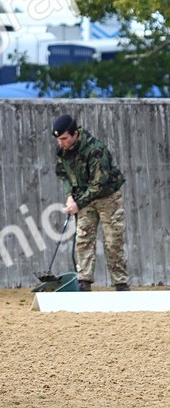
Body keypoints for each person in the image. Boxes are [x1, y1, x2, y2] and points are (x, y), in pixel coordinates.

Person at [52, 113, 129, 291]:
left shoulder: (96, 150)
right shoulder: (64, 150)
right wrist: (69, 195)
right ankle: (84, 282)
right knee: (83, 238)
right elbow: (63, 174)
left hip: (108, 197)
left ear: (75, 134)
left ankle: (121, 284)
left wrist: (77, 204)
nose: (61, 143)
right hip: (83, 197)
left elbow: (98, 185)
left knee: (113, 241)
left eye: (64, 139)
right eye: (58, 140)